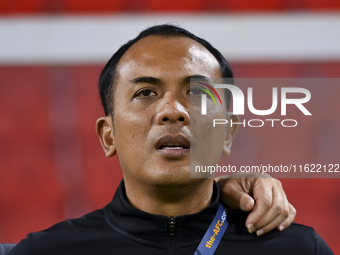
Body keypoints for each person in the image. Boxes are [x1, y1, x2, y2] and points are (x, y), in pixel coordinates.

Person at [8, 25, 332, 255]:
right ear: (109, 136)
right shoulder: (47, 250)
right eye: (145, 92)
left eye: (196, 93)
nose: (173, 111)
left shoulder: (298, 249)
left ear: (227, 132)